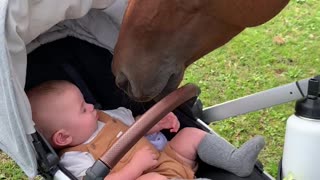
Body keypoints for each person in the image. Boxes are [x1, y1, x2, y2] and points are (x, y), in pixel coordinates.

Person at [27, 80, 265, 180]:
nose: (91, 106)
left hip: (169, 158)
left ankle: (235, 161)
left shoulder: (106, 117)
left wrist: (156, 123)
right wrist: (135, 167)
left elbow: (136, 125)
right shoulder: (75, 158)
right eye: (82, 108)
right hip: (145, 174)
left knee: (190, 136)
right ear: (63, 136)